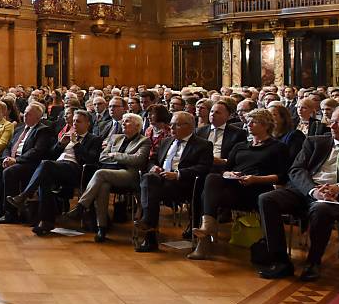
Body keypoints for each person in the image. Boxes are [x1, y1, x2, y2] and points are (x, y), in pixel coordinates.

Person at [257, 105, 339, 282]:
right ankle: (280, 260)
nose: (332, 126)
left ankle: (313, 262)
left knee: (321, 211)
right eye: (332, 121)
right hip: (306, 190)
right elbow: (296, 170)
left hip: (336, 196)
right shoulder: (315, 142)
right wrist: (313, 190)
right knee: (267, 199)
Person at [189, 108, 288, 260]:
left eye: (253, 122)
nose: (248, 124)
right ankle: (207, 228)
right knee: (212, 178)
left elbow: (281, 177)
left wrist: (255, 179)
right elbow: (226, 170)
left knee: (208, 194)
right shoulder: (240, 146)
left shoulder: (277, 147)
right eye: (247, 121)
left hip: (258, 190)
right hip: (235, 187)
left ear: (266, 125)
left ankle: (205, 238)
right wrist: (230, 174)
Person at [10, 110, 102, 236]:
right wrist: (60, 145)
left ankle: (25, 195)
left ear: (88, 124)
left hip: (77, 170)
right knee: (45, 178)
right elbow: (51, 154)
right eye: (74, 121)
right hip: (58, 167)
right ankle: (45, 222)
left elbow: (89, 159)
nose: (74, 124)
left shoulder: (94, 139)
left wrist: (76, 144)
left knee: (45, 165)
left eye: (78, 121)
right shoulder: (67, 136)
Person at [135, 111, 212, 253]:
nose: (171, 128)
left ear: (189, 126)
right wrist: (153, 167)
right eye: (170, 125)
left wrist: (177, 174)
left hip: (183, 184)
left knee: (150, 189)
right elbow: (152, 159)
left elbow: (203, 168)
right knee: (148, 178)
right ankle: (149, 227)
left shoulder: (203, 145)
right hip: (159, 181)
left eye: (175, 125)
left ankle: (149, 231)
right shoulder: (166, 141)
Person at [71, 112, 150, 242]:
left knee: (100, 173)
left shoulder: (144, 141)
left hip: (129, 174)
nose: (123, 123)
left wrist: (115, 155)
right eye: (123, 120)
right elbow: (102, 156)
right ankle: (102, 228)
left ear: (137, 126)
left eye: (127, 121)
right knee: (103, 186)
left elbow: (138, 160)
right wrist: (121, 157)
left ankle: (81, 206)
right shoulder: (115, 137)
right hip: (111, 172)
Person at [0, 103, 54, 222]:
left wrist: (16, 160)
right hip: (11, 160)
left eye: (28, 114)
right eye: (25, 113)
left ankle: (10, 213)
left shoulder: (43, 130)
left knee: (9, 172)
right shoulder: (20, 128)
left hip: (28, 163)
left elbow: (36, 151)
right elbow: (8, 146)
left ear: (38, 117)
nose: (25, 116)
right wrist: (6, 158)